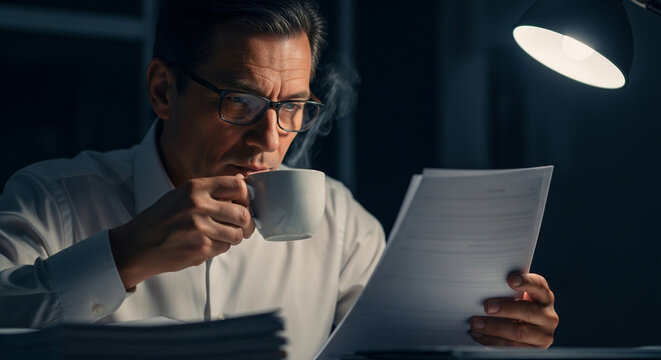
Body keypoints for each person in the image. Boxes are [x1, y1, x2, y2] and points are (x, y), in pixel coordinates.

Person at [0, 0, 558, 358]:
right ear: (164, 91)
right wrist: (125, 254)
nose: (269, 140)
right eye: (238, 102)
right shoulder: (53, 199)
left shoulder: (339, 222)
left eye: (292, 107)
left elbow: (407, 349)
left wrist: (497, 337)